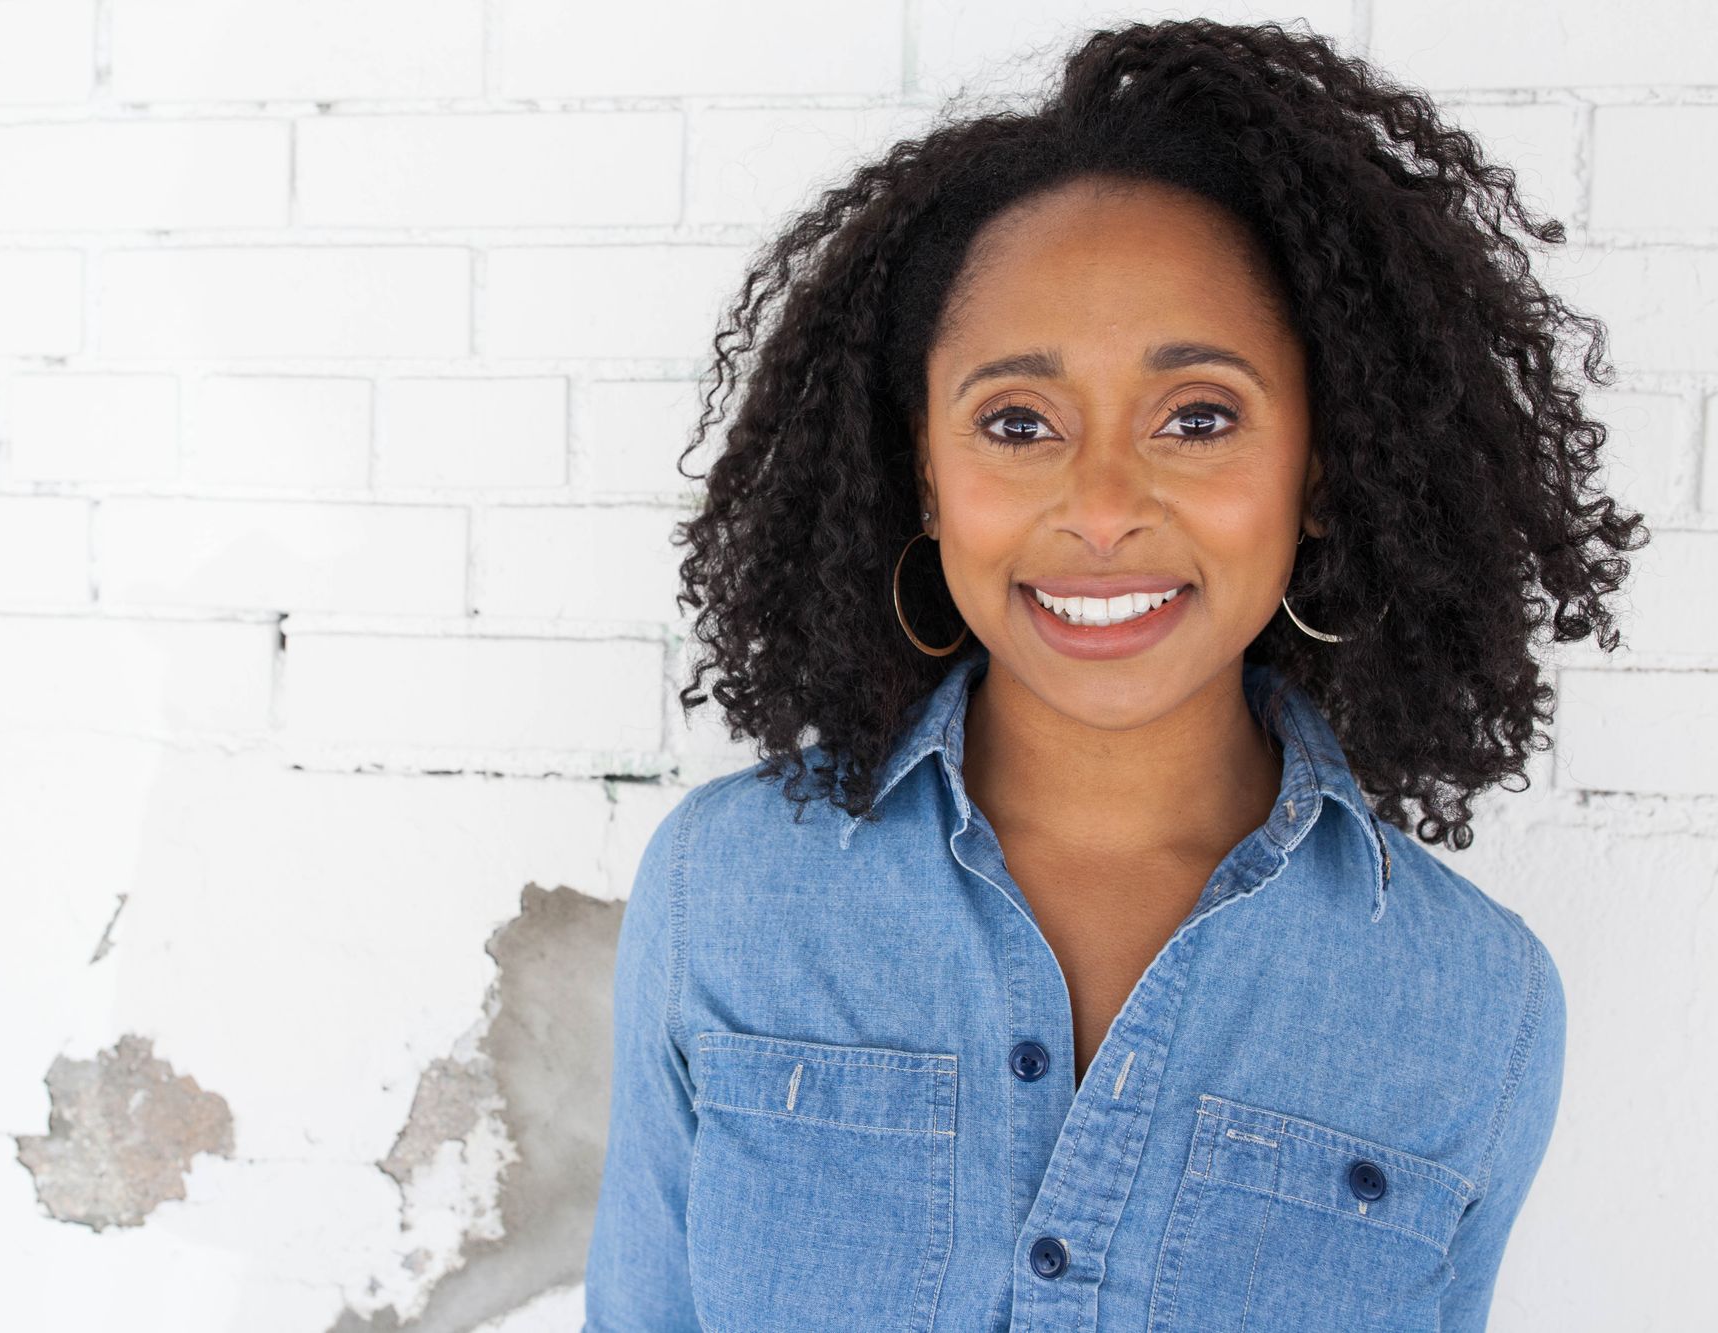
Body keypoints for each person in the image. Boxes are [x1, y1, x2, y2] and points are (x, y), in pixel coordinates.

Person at [583, 17, 1644, 1333]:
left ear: (1319, 467)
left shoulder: (1478, 1007)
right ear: (924, 468)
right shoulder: (728, 894)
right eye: (1017, 422)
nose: (1101, 504)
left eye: (1197, 416)